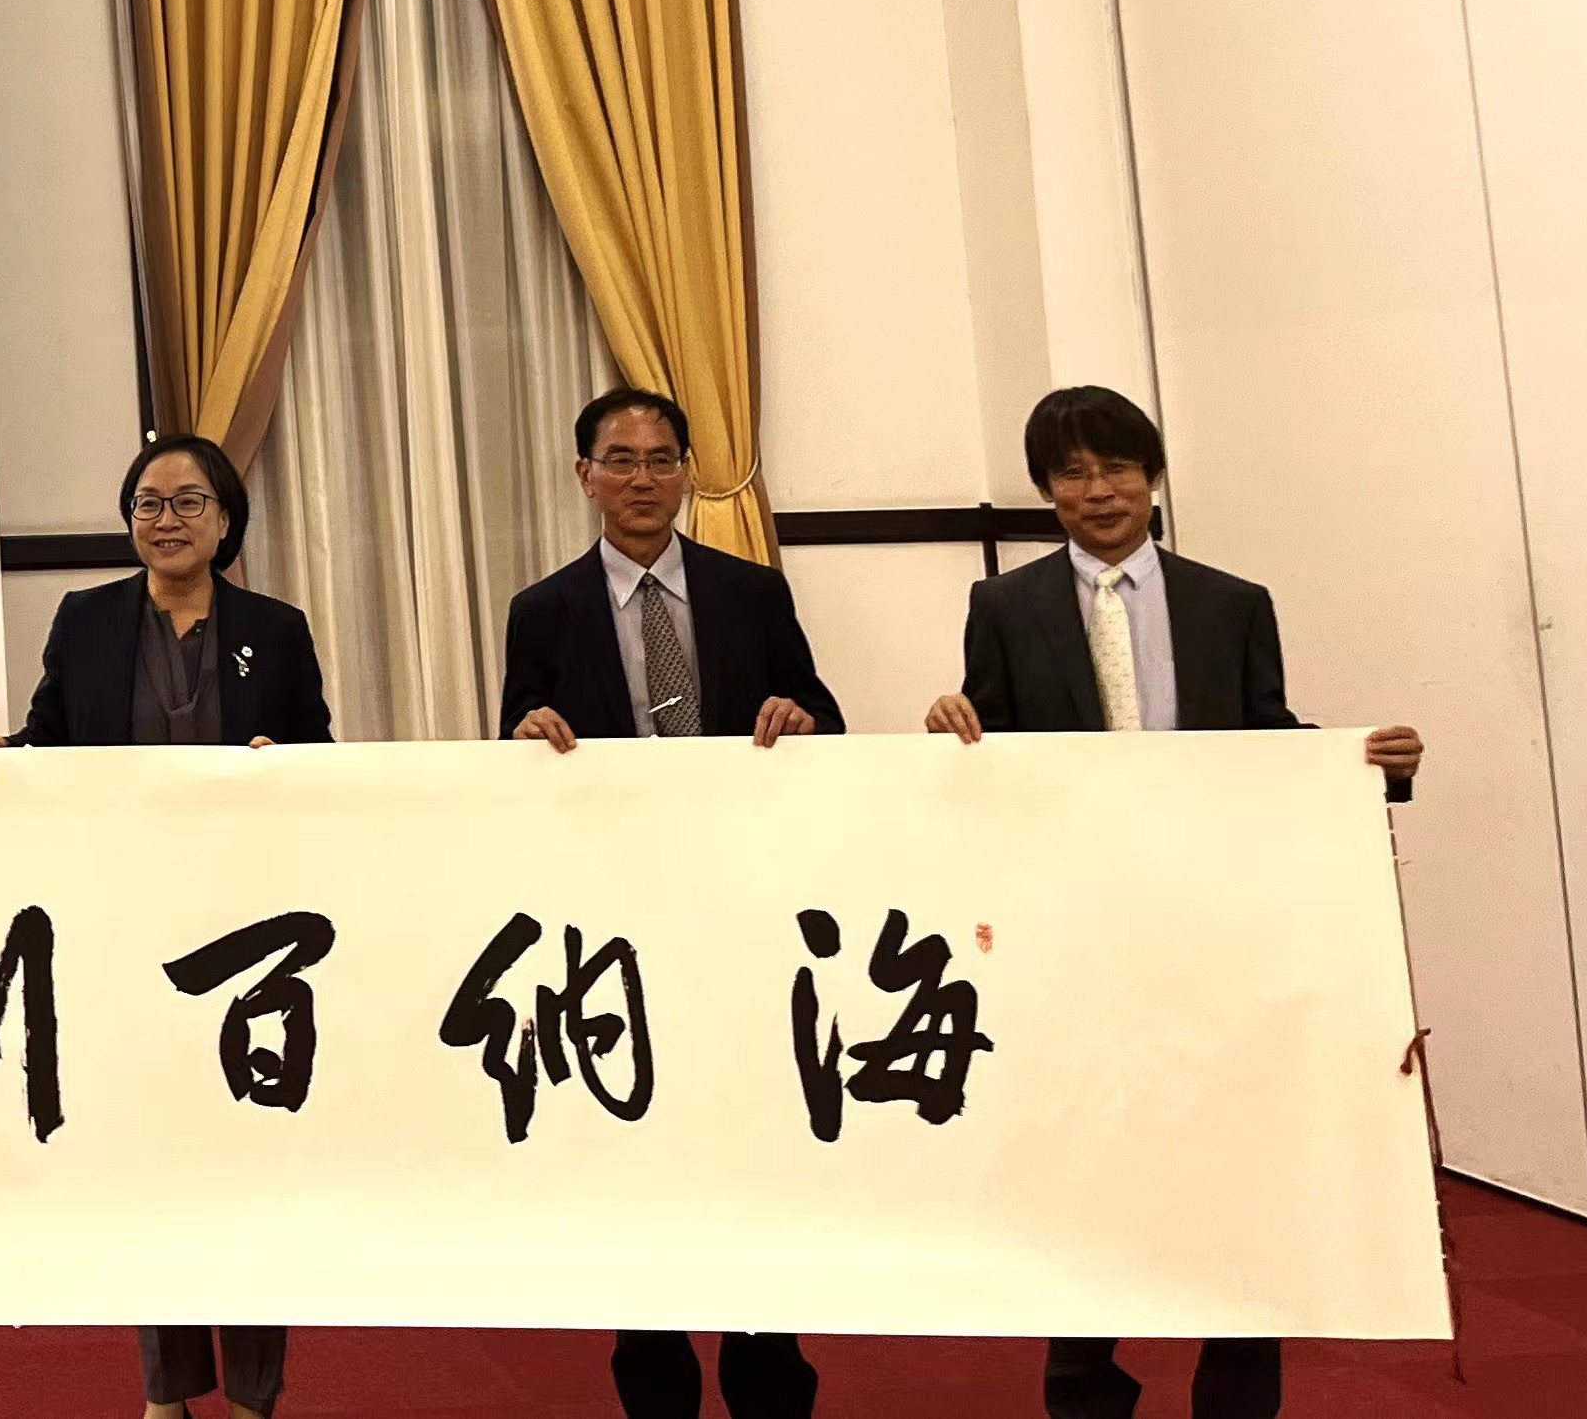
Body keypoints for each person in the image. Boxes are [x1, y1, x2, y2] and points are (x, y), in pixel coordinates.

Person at [922, 385, 1423, 1419]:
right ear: (1046, 492)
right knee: (1081, 1150)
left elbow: (1268, 741)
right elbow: (993, 756)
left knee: (1233, 1151)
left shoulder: (1230, 603)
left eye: (1117, 467)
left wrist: (1365, 766)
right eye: (1072, 473)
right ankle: (1081, 1371)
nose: (1098, 490)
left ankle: (1237, 1372)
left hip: (1211, 929)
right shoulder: (1003, 608)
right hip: (1075, 933)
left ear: (1152, 478)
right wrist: (950, 732)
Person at [0, 432, 328, 1419]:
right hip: (126, 924)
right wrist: (6, 755)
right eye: (147, 503)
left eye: (188, 501)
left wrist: (284, 762)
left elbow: (320, 755)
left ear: (226, 517)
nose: (166, 520)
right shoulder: (84, 620)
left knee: (248, 1159)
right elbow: (53, 739)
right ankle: (166, 1393)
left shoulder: (277, 628)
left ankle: (253, 1395)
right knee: (148, 1156)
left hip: (247, 933)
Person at [500, 385, 842, 1419]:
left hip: (741, 920)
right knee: (635, 1150)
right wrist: (523, 741)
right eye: (620, 459)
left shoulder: (753, 592)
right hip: (614, 934)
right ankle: (652, 1367)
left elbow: (822, 716)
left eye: (660, 459)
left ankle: (768, 1363)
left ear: (688, 472)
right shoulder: (543, 610)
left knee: (750, 1143)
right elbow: (511, 753)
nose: (642, 479)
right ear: (584, 476)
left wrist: (802, 717)